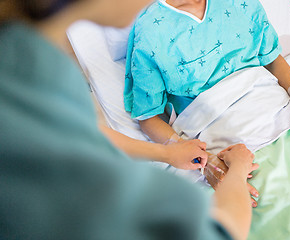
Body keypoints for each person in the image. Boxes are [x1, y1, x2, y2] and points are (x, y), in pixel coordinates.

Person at [0, 0, 259, 239]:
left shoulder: (30, 61)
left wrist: (166, 152)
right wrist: (237, 170)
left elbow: (80, 130)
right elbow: (217, 232)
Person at [124, 0, 290, 161]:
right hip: (221, 141)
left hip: (280, 110)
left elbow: (271, 58)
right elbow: (148, 116)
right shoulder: (152, 31)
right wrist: (190, 154)